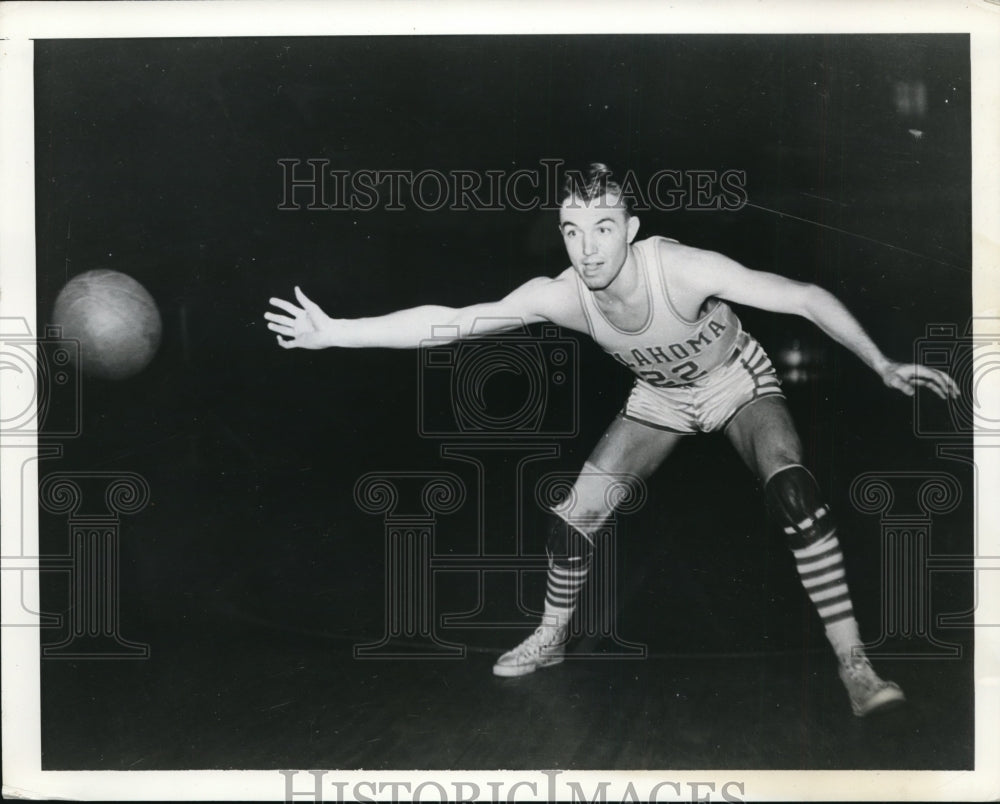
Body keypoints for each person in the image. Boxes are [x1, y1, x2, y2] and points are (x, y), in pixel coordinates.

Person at [265, 163, 959, 717]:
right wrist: (337, 332)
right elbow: (456, 318)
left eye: (602, 228)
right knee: (573, 519)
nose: (588, 247)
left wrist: (881, 362)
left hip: (736, 382)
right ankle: (551, 637)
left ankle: (855, 665)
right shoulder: (564, 294)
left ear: (630, 228)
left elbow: (804, 296)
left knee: (794, 492)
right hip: (659, 397)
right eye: (573, 231)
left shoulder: (680, 270)